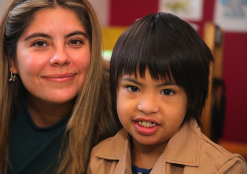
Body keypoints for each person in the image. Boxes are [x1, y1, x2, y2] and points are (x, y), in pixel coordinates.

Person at [0, 0, 120, 173]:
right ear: (12, 61)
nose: (60, 57)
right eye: (40, 43)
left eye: (75, 41)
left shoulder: (120, 103)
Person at [88, 12, 247, 174]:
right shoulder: (98, 159)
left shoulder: (224, 169)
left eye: (167, 91)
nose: (147, 107)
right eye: (133, 88)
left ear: (193, 97)